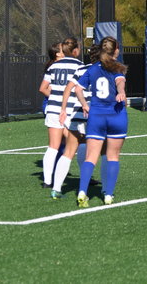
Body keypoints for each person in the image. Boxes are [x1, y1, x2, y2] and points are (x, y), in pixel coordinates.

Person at [75, 37, 128, 207]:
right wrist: (121, 92)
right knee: (112, 156)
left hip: (96, 116)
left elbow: (78, 88)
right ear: (116, 50)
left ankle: (82, 191)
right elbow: (120, 82)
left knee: (91, 157)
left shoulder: (92, 69)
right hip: (116, 115)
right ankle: (108, 195)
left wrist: (84, 105)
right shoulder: (117, 67)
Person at [53, 44, 104, 200]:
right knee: (102, 151)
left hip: (77, 113)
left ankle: (56, 189)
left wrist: (63, 109)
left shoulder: (81, 69)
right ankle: (100, 189)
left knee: (69, 151)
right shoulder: (105, 70)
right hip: (95, 113)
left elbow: (69, 88)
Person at [38, 38, 83, 188]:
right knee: (79, 144)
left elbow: (43, 87)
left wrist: (55, 97)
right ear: (75, 50)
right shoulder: (79, 66)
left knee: (53, 146)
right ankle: (84, 177)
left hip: (53, 109)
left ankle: (47, 181)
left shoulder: (53, 66)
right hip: (70, 110)